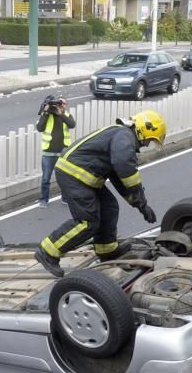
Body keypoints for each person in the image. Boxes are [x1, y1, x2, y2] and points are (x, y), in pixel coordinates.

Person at [35, 110, 165, 277]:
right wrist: (140, 198)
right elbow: (125, 167)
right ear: (144, 130)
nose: (147, 144)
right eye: (149, 140)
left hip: (85, 178)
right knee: (87, 222)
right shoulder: (124, 136)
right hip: (74, 176)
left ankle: (106, 249)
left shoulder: (121, 136)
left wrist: (141, 205)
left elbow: (119, 179)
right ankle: (47, 252)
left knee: (109, 207)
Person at [36, 95, 76, 208]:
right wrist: (45, 112)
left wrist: (61, 114)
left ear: (65, 105)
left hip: (63, 153)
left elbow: (72, 124)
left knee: (64, 178)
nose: (61, 105)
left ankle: (65, 198)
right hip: (48, 153)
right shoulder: (47, 115)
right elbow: (39, 128)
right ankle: (44, 200)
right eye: (59, 103)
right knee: (45, 178)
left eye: (63, 104)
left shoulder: (66, 115)